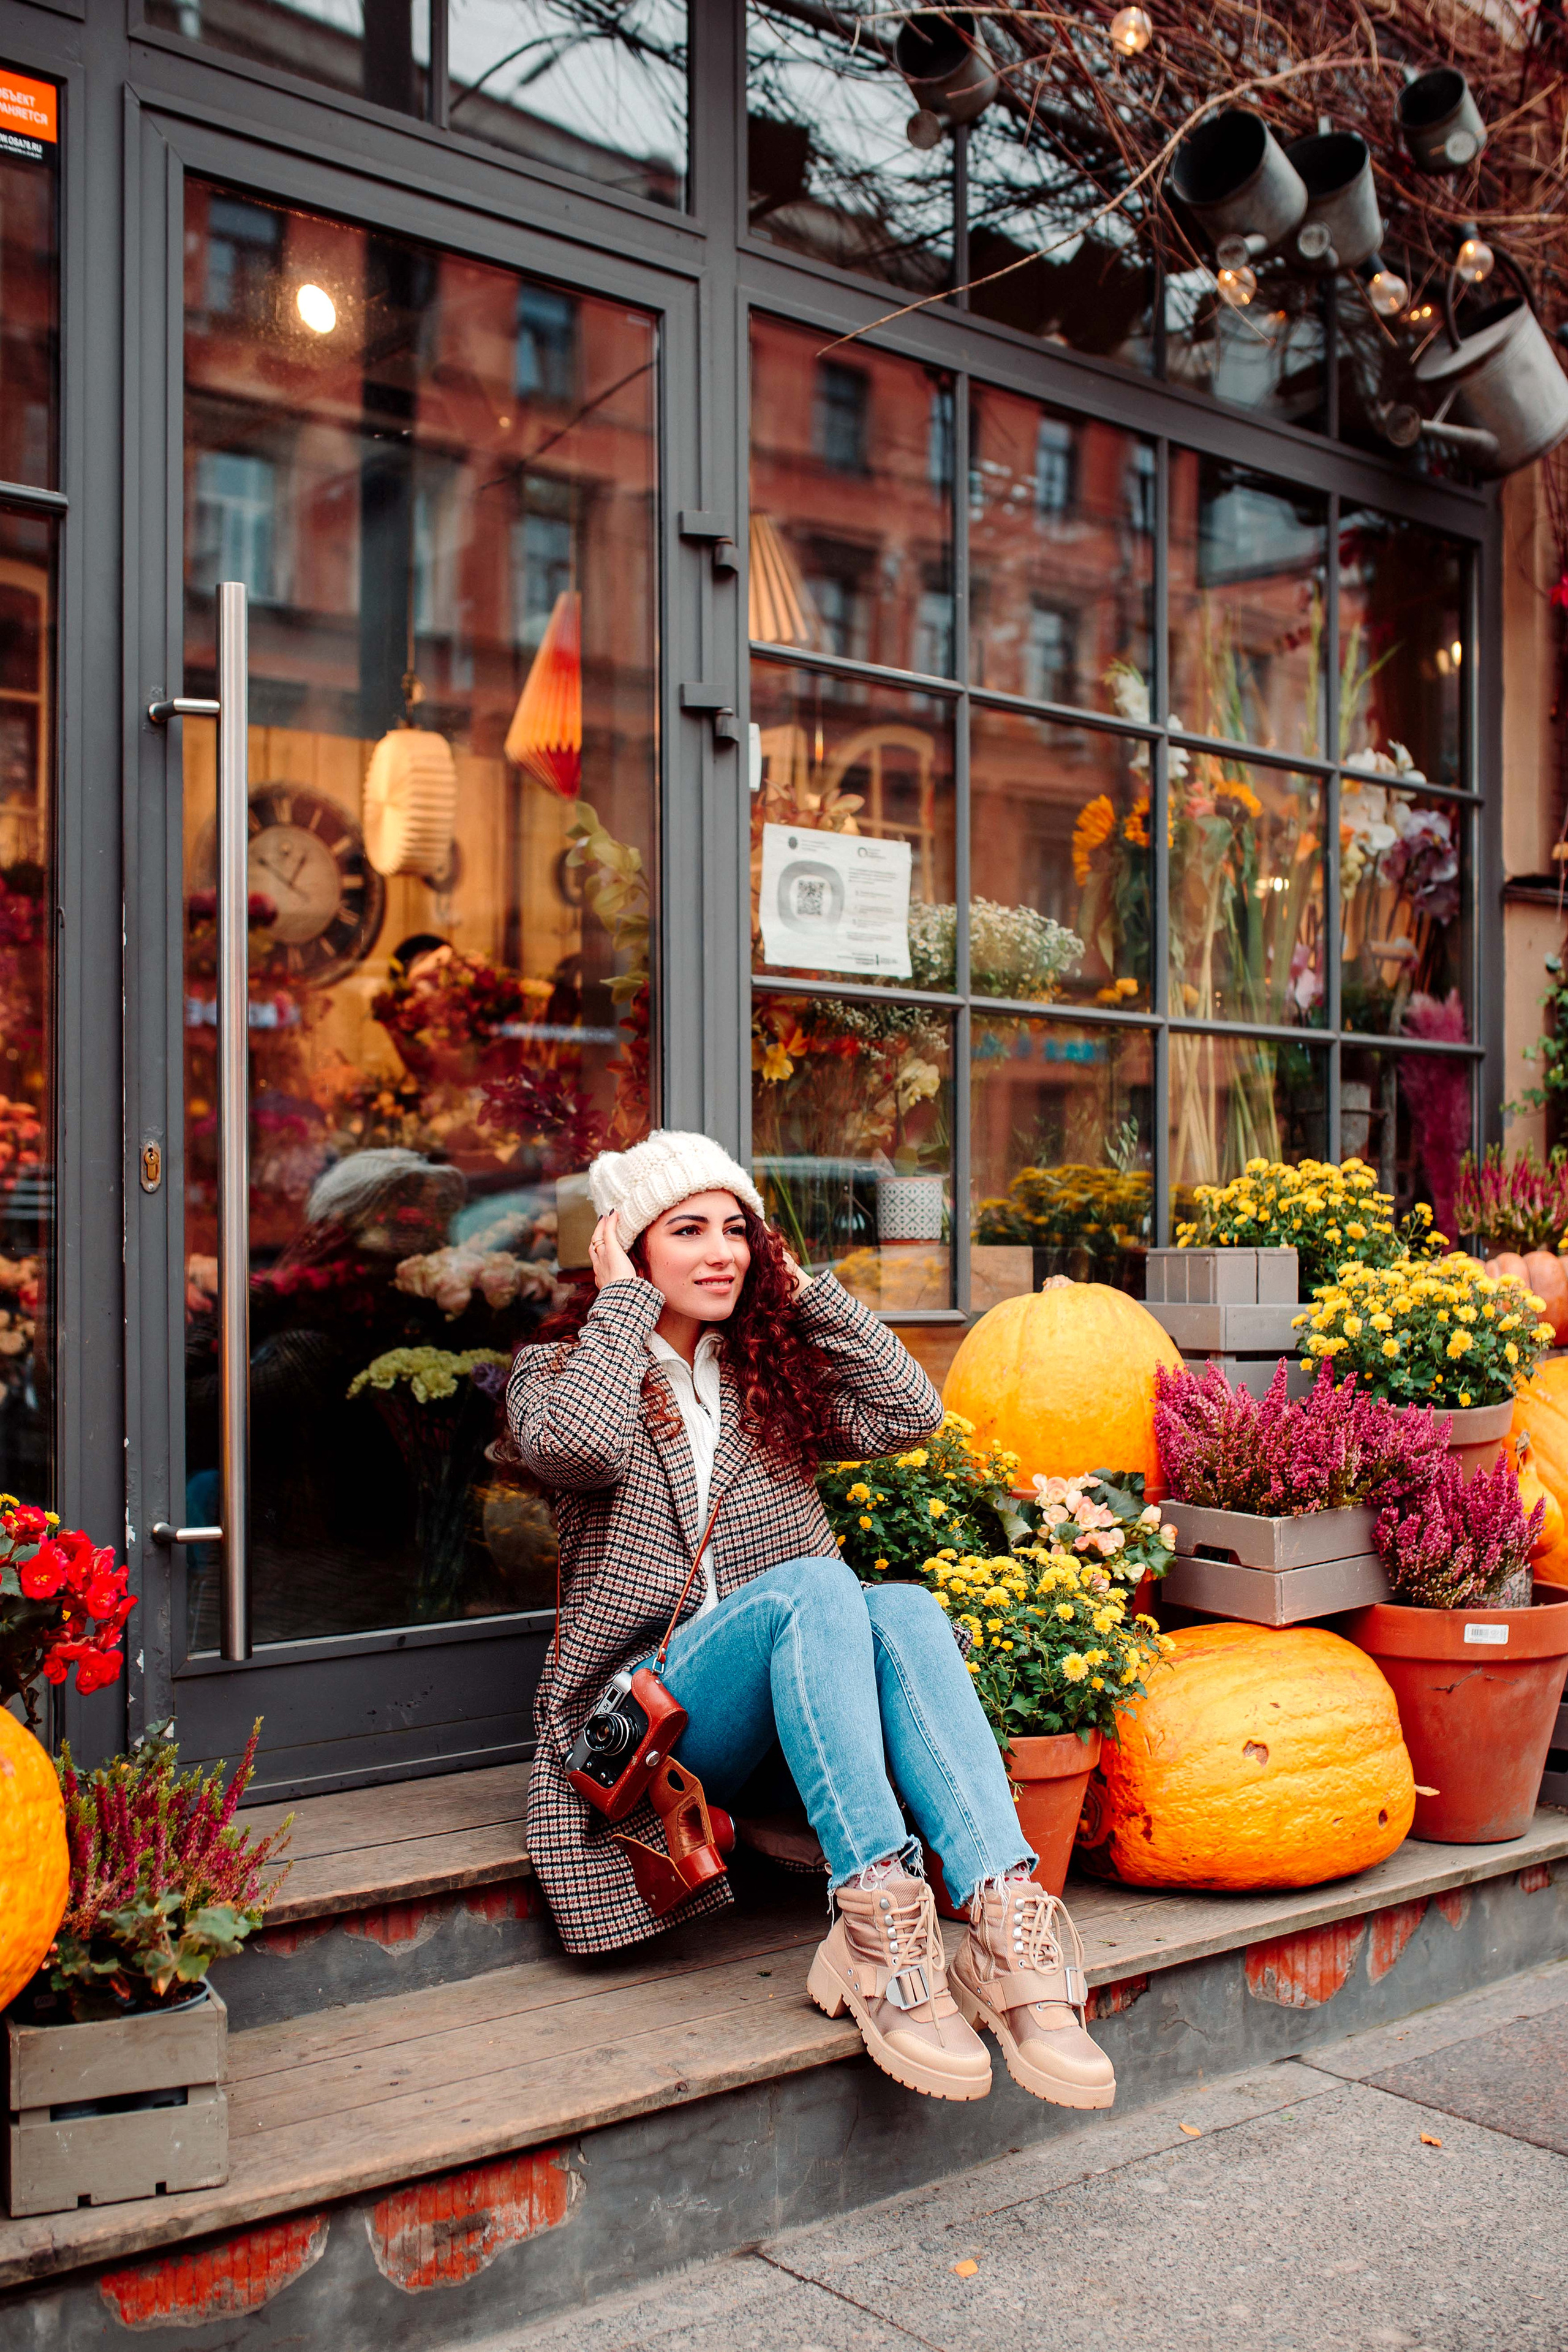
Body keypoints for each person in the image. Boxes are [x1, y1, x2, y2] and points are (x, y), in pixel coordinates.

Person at [507, 1129, 1114, 2109]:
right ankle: (877, 1915)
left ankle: (1005, 1919)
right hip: (644, 1734)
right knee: (819, 1586)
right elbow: (574, 1447)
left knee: (904, 1608)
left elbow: (912, 1411)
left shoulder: (765, 1381)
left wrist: (797, 1284)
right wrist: (621, 1302)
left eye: (739, 1230)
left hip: (770, 1734)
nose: (723, 1252)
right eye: (688, 1229)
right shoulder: (563, 1377)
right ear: (628, 1245)